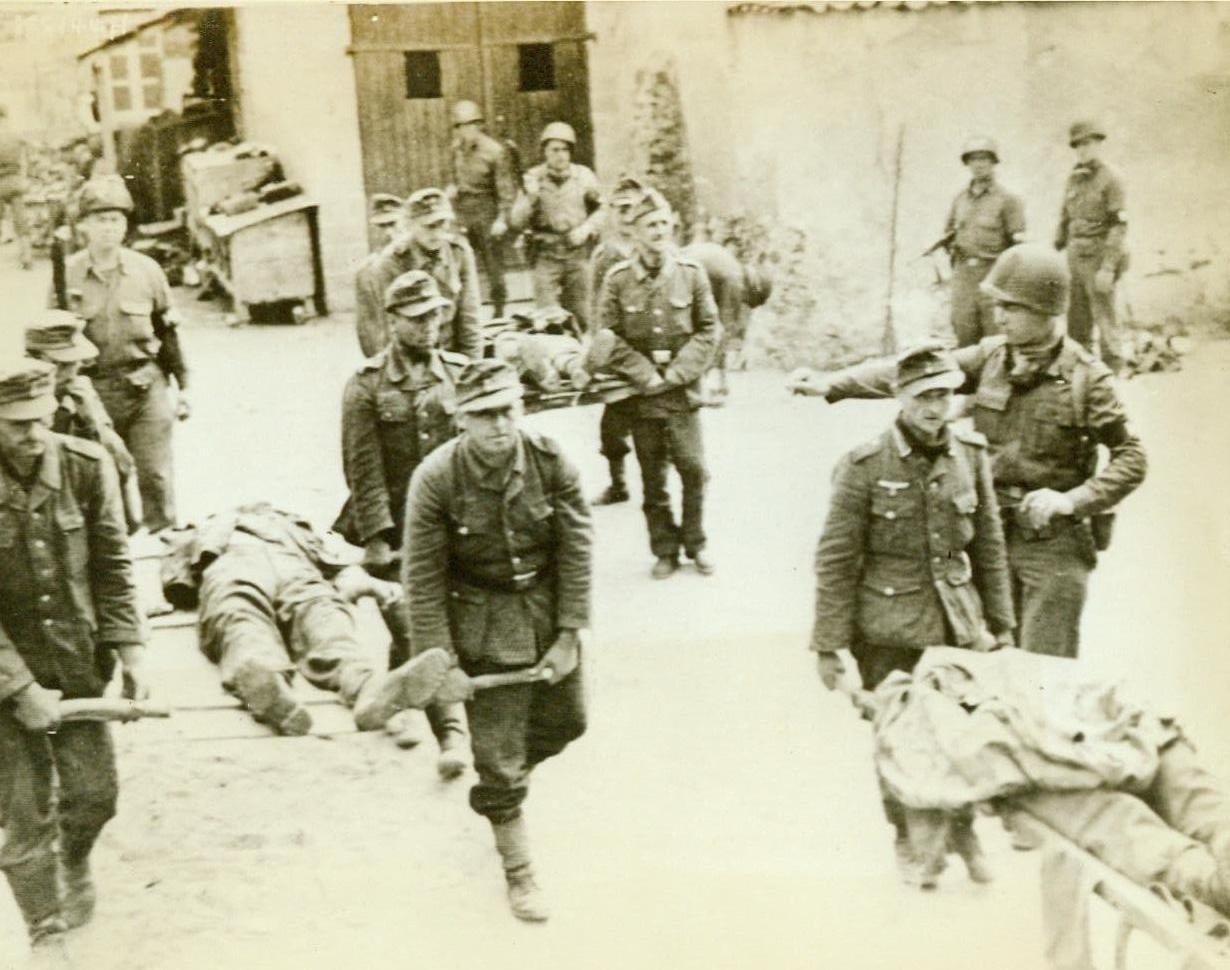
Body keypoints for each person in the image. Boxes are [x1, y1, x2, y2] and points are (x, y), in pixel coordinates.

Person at [789, 243, 1146, 658]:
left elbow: (1132, 457)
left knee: (1042, 671)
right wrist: (833, 383)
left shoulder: (1088, 380)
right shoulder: (993, 356)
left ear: (1046, 310)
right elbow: (911, 371)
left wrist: (1071, 501)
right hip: (988, 535)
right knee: (977, 666)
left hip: (1052, 547)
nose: (999, 317)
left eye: (1011, 308)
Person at [810, 343, 1015, 887]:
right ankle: (910, 837)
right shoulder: (864, 465)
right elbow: (835, 559)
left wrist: (1002, 626)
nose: (935, 406)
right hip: (887, 627)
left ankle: (963, 828)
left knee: (959, 734)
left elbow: (989, 546)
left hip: (956, 624)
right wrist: (829, 645)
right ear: (899, 397)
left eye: (945, 394)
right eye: (924, 396)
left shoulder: (971, 455)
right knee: (900, 737)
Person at [402, 359, 592, 922]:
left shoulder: (551, 461)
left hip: (543, 611)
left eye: (507, 410)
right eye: (484, 415)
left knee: (568, 722)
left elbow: (577, 550)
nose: (500, 426)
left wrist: (570, 633)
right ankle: (519, 869)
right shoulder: (435, 479)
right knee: (501, 763)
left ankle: (502, 780)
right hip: (480, 625)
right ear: (461, 419)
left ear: (522, 408)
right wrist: (443, 665)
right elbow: (423, 579)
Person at [0, 357, 148, 945]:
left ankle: (76, 859)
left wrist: (130, 649)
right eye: (15, 424)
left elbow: (113, 567)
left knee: (94, 797)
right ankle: (47, 931)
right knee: (24, 813)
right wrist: (19, 689)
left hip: (75, 662)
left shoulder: (87, 466)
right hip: (8, 675)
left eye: (39, 419)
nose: (32, 434)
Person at [336, 270, 471, 773]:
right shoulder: (366, 385)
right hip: (398, 528)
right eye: (417, 318)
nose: (430, 324)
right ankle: (452, 736)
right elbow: (361, 467)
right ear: (392, 321)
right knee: (421, 625)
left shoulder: (459, 373)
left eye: (436, 314)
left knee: (417, 623)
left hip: (454, 522)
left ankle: (393, 696)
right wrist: (377, 538)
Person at [160, 503, 444, 736]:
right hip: (233, 563)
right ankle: (267, 684)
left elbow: (341, 566)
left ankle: (367, 690)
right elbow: (176, 582)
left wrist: (367, 585)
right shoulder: (200, 528)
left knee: (323, 618)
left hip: (295, 566)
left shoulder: (300, 527)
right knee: (241, 617)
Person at [596, 188, 722, 579]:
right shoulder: (617, 280)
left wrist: (677, 373)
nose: (659, 231)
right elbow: (606, 335)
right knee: (652, 475)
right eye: (650, 224)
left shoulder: (691, 274)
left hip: (682, 392)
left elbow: (709, 329)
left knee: (694, 469)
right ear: (634, 231)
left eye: (664, 224)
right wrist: (643, 373)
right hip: (643, 393)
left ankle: (696, 543)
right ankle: (664, 548)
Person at [56, 174, 190, 535]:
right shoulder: (66, 276)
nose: (108, 228)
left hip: (146, 384)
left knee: (156, 474)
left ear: (126, 224)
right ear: (83, 225)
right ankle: (120, 549)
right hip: (93, 391)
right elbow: (52, 340)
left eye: (115, 219)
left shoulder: (147, 271)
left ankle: (166, 552)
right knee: (106, 478)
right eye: (99, 219)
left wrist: (184, 387)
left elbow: (167, 331)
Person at [25, 310, 141, 533]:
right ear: (34, 359)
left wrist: (90, 421)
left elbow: (119, 460)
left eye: (75, 362)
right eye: (64, 364)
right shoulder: (15, 403)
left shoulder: (80, 394)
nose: (73, 371)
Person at [354, 188, 482, 360]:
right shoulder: (392, 261)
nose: (437, 233)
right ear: (410, 224)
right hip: (411, 358)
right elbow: (388, 328)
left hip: (452, 353)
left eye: (442, 224)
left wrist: (471, 367)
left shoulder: (459, 253)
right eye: (429, 226)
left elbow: (470, 318)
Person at [510, 121, 603, 333]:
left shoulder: (584, 176)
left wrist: (586, 228)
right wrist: (531, 197)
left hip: (576, 254)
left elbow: (602, 210)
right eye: (554, 150)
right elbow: (516, 220)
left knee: (582, 316)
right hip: (546, 255)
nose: (560, 155)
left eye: (565, 149)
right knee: (547, 319)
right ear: (544, 151)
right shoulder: (533, 178)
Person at [588, 175, 648, 505]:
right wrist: (597, 351)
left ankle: (658, 485)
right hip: (618, 349)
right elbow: (595, 307)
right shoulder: (605, 255)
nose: (627, 216)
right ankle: (618, 482)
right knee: (613, 424)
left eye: (633, 209)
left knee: (658, 423)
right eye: (621, 209)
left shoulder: (655, 249)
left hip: (652, 349)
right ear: (612, 213)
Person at [1055, 119, 1129, 373]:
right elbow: (1065, 216)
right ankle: (1082, 376)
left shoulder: (1111, 178)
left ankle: (1114, 373)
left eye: (1087, 144)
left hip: (1099, 255)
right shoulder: (1074, 178)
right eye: (1077, 146)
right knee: (1077, 321)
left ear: (1099, 144)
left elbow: (1118, 226)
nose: (1082, 150)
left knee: (1105, 319)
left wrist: (1108, 267)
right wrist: (1057, 245)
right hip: (1075, 257)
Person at [941, 136, 1026, 346]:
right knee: (963, 333)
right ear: (968, 164)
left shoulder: (1008, 199)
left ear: (993, 163)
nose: (978, 164)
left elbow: (1019, 247)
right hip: (963, 277)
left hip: (993, 276)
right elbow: (948, 234)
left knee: (995, 338)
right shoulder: (960, 199)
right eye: (973, 159)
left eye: (984, 159)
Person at [679, 238, 774, 398]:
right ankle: (692, 386)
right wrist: (710, 374)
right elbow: (723, 329)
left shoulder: (728, 261)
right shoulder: (735, 280)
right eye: (748, 300)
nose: (744, 302)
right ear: (753, 289)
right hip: (679, 283)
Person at [449, 100, 516, 318]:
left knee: (492, 263)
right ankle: (463, 311)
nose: (464, 131)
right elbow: (454, 178)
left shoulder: (495, 151)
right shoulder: (456, 149)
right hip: (463, 210)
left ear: (478, 125)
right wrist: (451, 190)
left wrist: (502, 218)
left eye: (469, 125)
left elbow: (505, 189)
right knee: (459, 261)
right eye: (459, 126)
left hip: (487, 209)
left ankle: (499, 309)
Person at [0, 105, 31, 270]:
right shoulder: (15, 135)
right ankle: (26, 256)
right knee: (21, 220)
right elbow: (28, 156)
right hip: (15, 181)